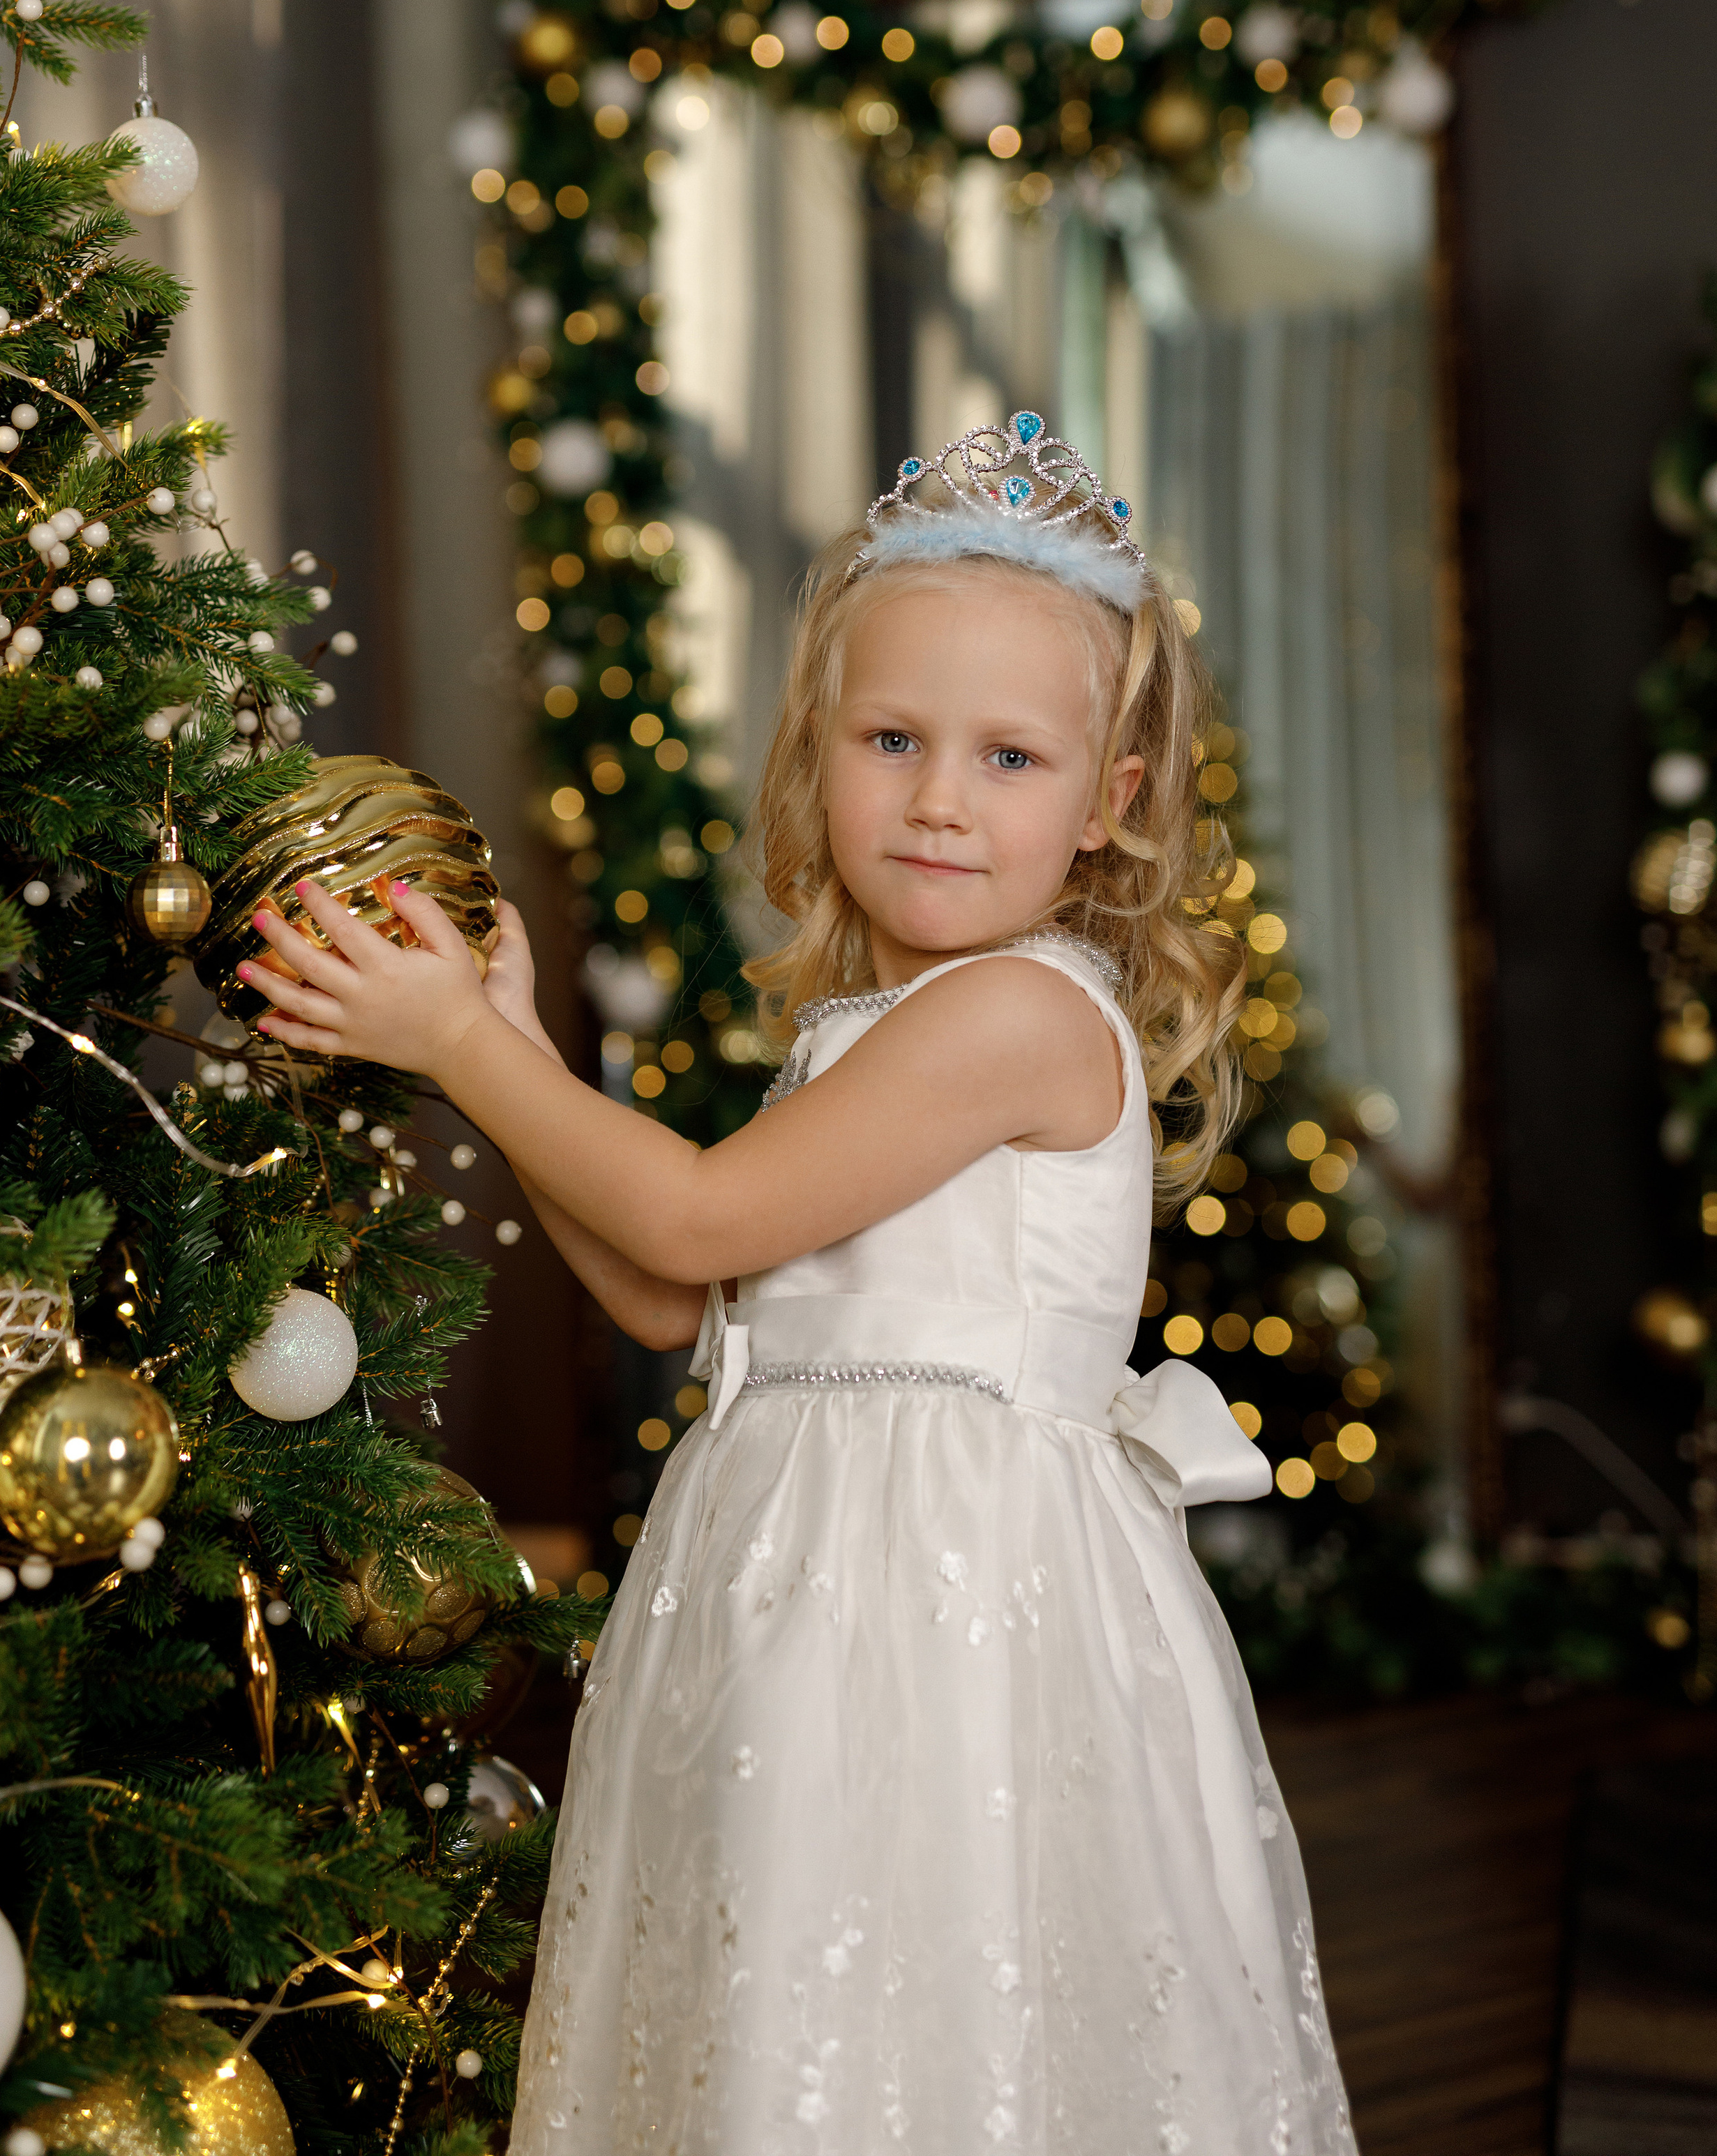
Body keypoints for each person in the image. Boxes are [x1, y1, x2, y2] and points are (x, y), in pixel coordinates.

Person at [239, 415, 1358, 2155]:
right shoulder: (866, 1028)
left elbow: (689, 1223)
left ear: (1107, 804)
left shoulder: (1020, 1014)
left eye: (1007, 758)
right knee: (781, 1989)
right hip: (791, 1563)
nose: (934, 798)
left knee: (941, 1966)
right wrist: (517, 1045)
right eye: (892, 738)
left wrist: (458, 1041)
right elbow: (674, 1302)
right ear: (815, 749)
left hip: (945, 1586)